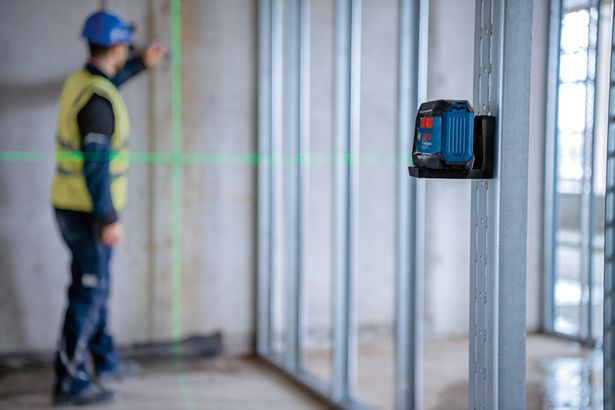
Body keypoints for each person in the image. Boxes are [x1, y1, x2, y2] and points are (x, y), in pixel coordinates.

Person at [50, 10, 165, 406]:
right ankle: (70, 381)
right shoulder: (98, 103)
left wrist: (141, 64)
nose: (126, 53)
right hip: (87, 211)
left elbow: (110, 81)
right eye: (126, 49)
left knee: (97, 288)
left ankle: (104, 361)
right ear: (115, 47)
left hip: (73, 205)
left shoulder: (83, 81)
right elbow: (95, 167)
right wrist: (108, 219)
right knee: (89, 293)